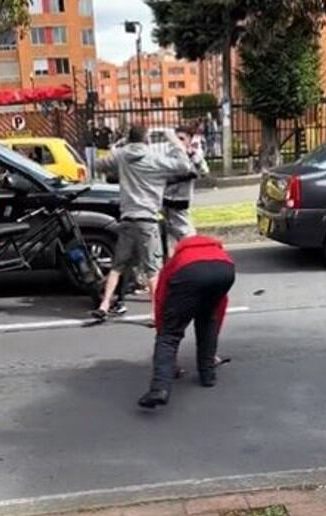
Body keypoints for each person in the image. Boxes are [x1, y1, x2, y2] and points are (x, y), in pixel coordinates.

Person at [91, 124, 195, 319]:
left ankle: (105, 304)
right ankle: (156, 314)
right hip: (148, 220)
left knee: (118, 265)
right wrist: (174, 143)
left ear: (130, 139)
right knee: (152, 270)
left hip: (127, 219)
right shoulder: (154, 158)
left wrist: (117, 148)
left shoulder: (121, 155)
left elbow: (98, 164)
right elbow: (184, 166)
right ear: (146, 139)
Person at [138, 235, 235, 408]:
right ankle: (208, 376)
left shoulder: (179, 258)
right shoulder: (218, 252)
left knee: (170, 335)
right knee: (207, 321)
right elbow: (221, 305)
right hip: (226, 271)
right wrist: (216, 325)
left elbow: (161, 296)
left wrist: (163, 329)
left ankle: (160, 388)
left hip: (188, 273)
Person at [162, 125, 209, 246]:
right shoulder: (169, 153)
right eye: (177, 139)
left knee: (187, 235)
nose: (178, 143)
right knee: (165, 237)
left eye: (182, 139)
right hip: (164, 201)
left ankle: (193, 255)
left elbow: (204, 171)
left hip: (181, 202)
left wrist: (193, 156)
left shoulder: (193, 154)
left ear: (189, 140)